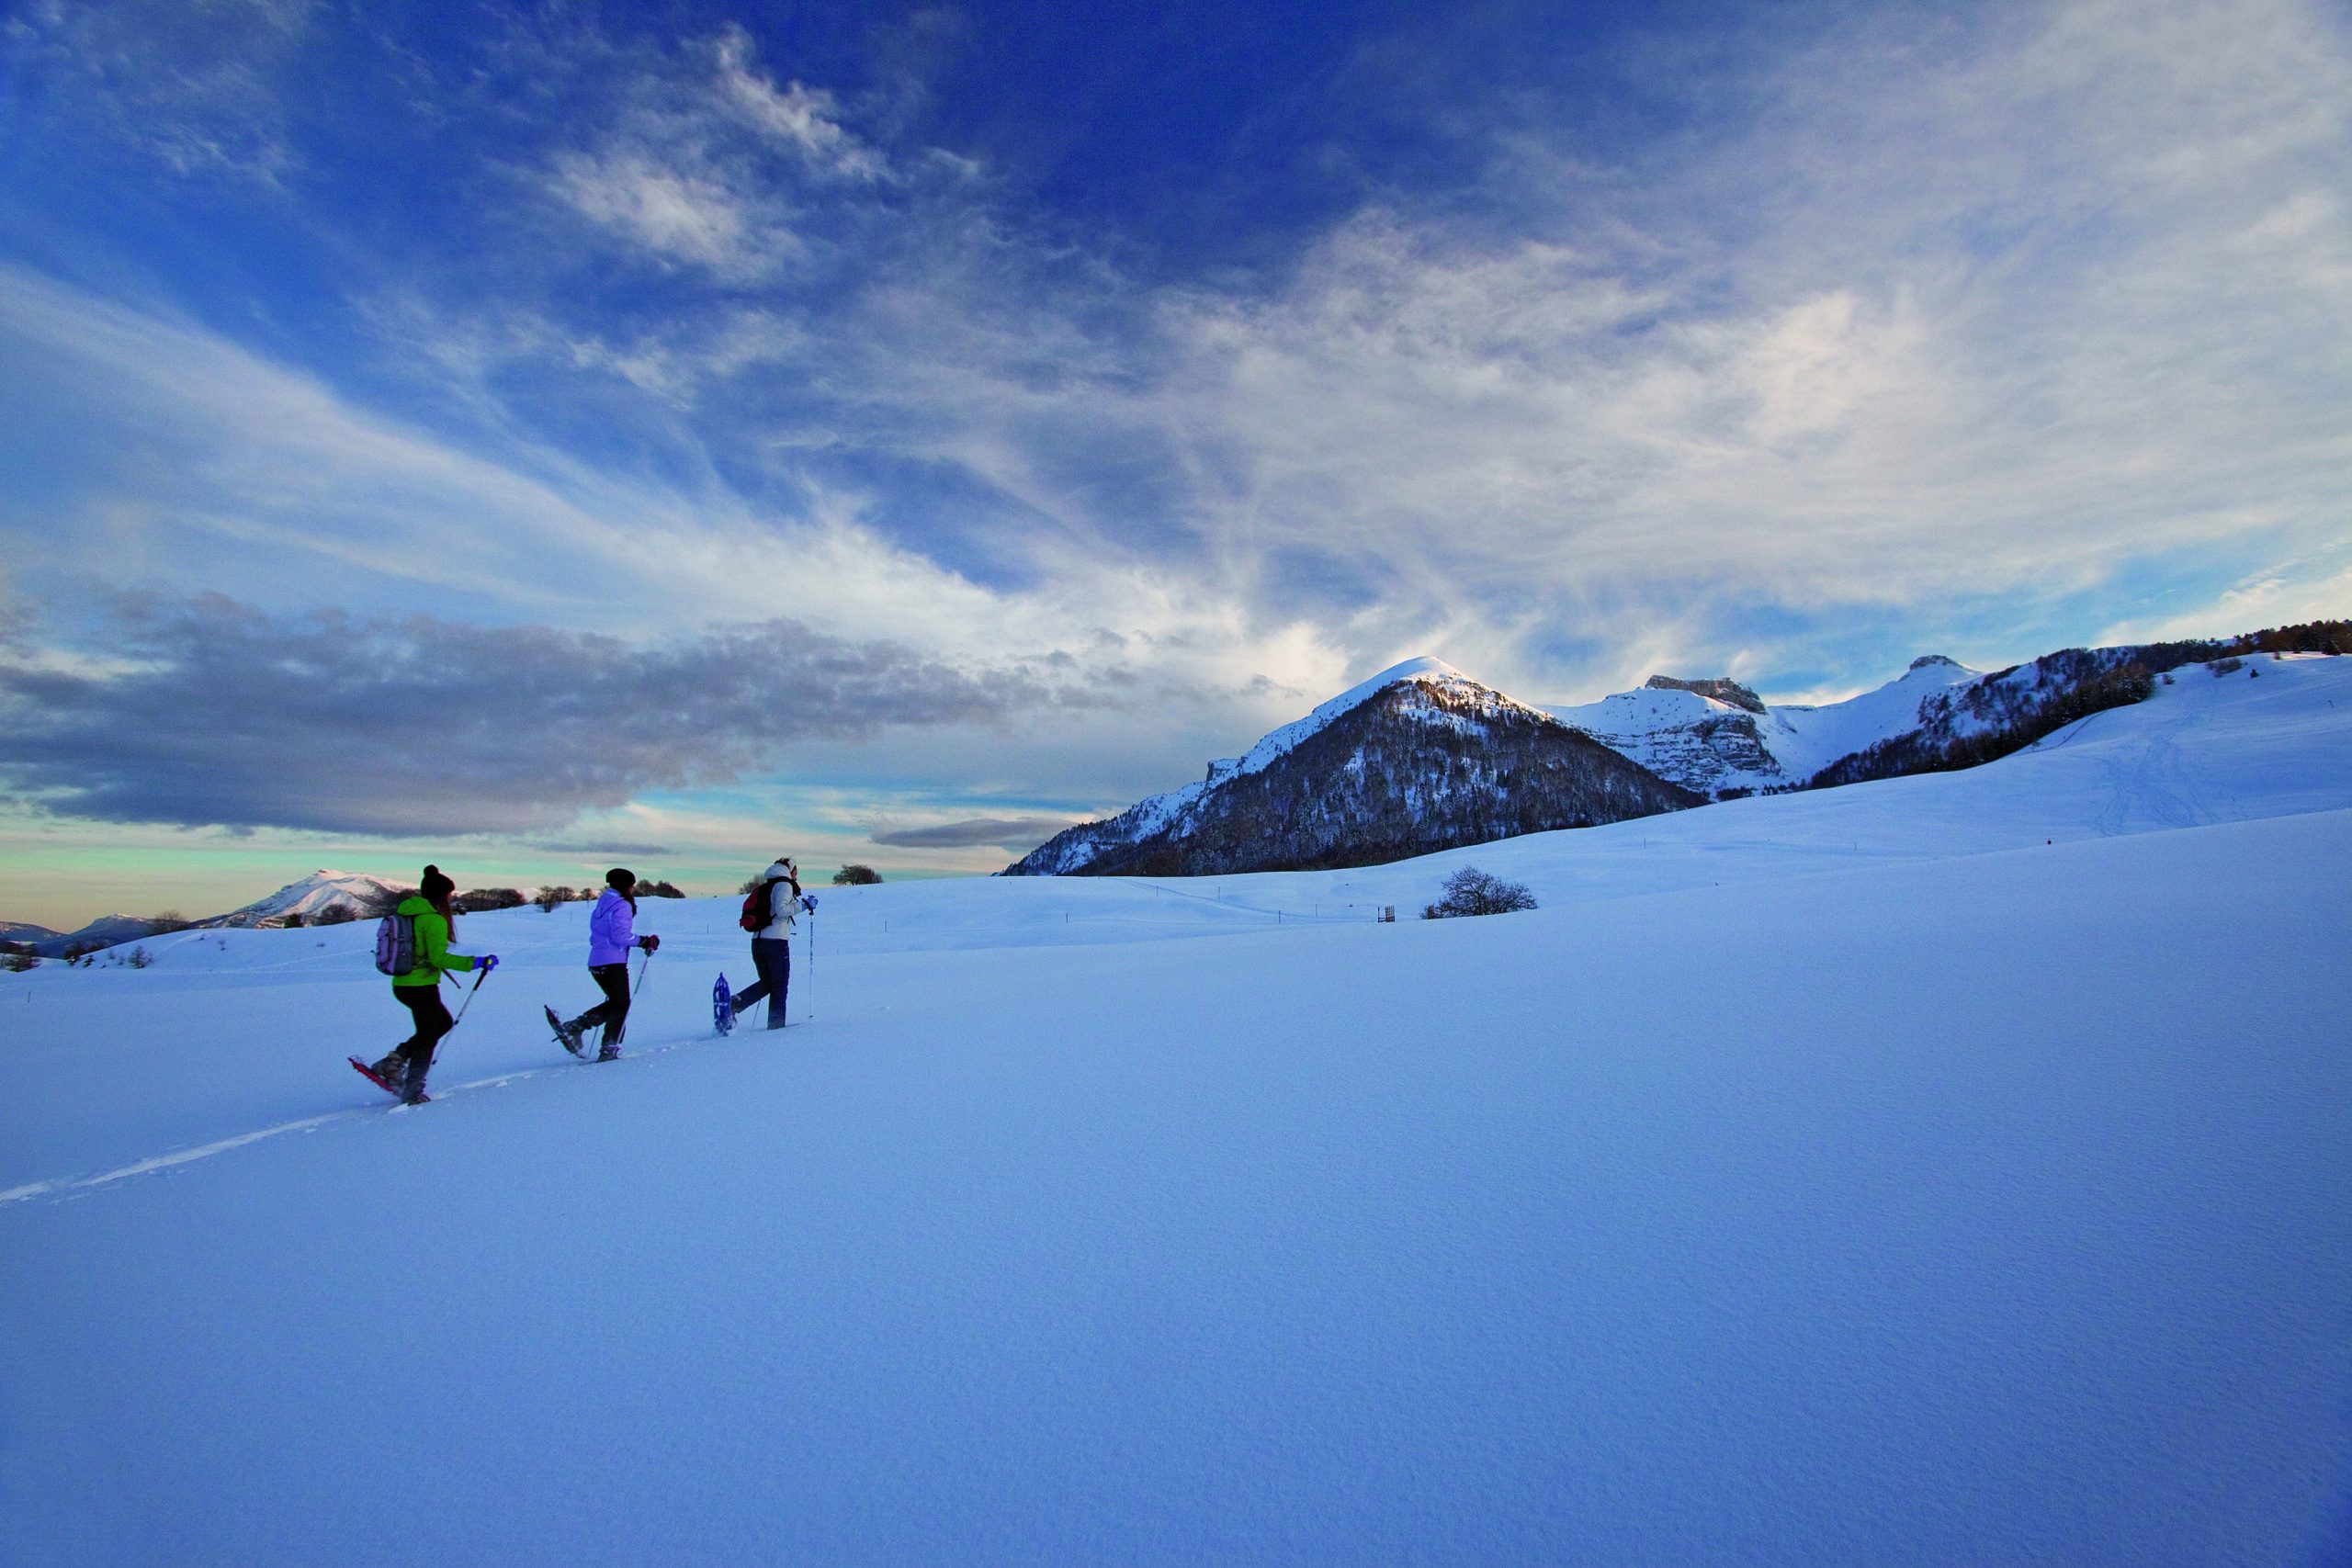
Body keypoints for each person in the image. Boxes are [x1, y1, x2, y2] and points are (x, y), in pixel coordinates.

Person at [366, 864, 495, 1104]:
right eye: (449, 895)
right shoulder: (433, 920)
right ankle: (412, 1089)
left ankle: (394, 1062)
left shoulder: (407, 913)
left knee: (441, 1023)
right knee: (428, 1035)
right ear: (442, 896)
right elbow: (438, 958)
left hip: (402, 984)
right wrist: (477, 962)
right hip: (421, 986)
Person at [548, 867, 659, 1061]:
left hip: (597, 960)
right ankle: (582, 1030)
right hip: (613, 961)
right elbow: (620, 935)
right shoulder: (622, 904)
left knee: (618, 1003)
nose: (633, 889)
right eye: (632, 885)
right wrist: (644, 941)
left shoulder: (604, 902)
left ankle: (607, 1044)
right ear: (627, 886)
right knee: (620, 1003)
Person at [719, 856, 802, 1032]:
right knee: (779, 984)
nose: (796, 875)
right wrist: (802, 906)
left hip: (758, 942)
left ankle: (735, 1004)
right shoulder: (784, 885)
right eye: (796, 871)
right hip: (776, 942)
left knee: (768, 982)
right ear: (789, 870)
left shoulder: (767, 886)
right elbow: (782, 910)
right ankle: (776, 1026)